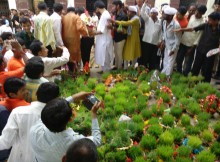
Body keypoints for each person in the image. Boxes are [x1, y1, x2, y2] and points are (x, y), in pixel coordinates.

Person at [0, 82, 91, 162]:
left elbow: (5, 142)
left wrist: (73, 98)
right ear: (57, 98)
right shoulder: (57, 117)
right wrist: (73, 97)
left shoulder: (18, 112)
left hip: (18, 158)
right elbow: (57, 106)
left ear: (36, 94)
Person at [30, 97, 101, 162]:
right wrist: (94, 114)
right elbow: (97, 140)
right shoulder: (73, 142)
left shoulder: (35, 129)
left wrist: (73, 97)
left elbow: (50, 112)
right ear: (70, 119)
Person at [175, 12, 220, 82]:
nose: (208, 21)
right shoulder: (206, 25)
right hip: (200, 51)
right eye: (208, 19)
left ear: (216, 21)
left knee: (207, 71)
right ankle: (192, 83)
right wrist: (181, 29)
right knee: (195, 68)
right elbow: (193, 29)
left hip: (210, 54)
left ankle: (205, 87)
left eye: (210, 20)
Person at [176, 5, 207, 75]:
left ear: (203, 14)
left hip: (191, 45)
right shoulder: (192, 16)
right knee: (179, 59)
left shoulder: (202, 23)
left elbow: (199, 37)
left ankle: (185, 75)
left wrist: (193, 48)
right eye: (196, 11)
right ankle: (178, 73)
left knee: (188, 62)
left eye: (199, 13)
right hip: (183, 41)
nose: (196, 13)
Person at [62, 7, 88, 72]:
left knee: (67, 56)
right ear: (74, 11)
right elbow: (80, 28)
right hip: (74, 40)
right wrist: (85, 33)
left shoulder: (63, 17)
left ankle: (69, 72)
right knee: (74, 57)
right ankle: (74, 73)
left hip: (64, 40)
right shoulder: (76, 17)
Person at [160, 7, 181, 79]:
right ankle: (163, 75)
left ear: (170, 16)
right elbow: (164, 33)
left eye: (165, 14)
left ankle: (167, 78)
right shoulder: (164, 22)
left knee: (170, 63)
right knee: (165, 61)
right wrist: (163, 41)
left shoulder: (176, 25)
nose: (163, 15)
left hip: (172, 47)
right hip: (167, 45)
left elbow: (178, 39)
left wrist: (173, 50)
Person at [140, 0, 162, 70]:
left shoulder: (159, 22)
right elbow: (142, 12)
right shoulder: (147, 20)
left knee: (153, 59)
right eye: (151, 13)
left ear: (157, 14)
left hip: (155, 43)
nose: (152, 14)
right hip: (146, 42)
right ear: (150, 13)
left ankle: (150, 71)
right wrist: (145, 3)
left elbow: (160, 33)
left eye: (154, 13)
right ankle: (143, 70)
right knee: (145, 58)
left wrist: (160, 41)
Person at [93, 0, 114, 73]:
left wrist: (92, 33)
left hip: (104, 39)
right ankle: (104, 70)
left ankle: (106, 73)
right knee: (102, 55)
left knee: (105, 56)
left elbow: (102, 30)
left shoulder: (105, 15)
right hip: (102, 39)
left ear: (97, 8)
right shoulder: (105, 14)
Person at [112, 0, 128, 70]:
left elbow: (122, 30)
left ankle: (119, 69)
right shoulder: (116, 15)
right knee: (116, 53)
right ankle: (116, 67)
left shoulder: (123, 16)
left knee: (119, 54)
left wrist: (112, 28)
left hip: (121, 38)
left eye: (113, 6)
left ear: (118, 6)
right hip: (115, 37)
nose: (112, 7)